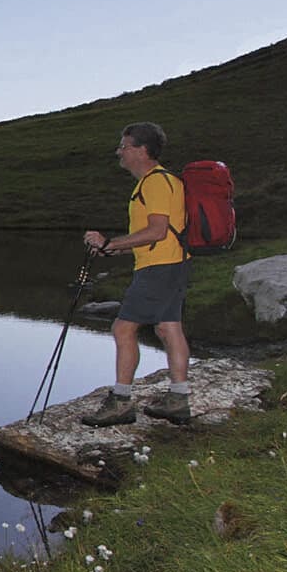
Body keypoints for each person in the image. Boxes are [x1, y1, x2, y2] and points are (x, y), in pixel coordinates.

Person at [79, 121, 192, 426]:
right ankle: (179, 399)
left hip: (158, 268)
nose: (120, 152)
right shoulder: (165, 181)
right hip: (173, 263)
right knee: (169, 329)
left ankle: (121, 402)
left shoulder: (155, 182)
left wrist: (110, 242)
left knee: (123, 329)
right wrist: (115, 249)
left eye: (124, 146)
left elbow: (155, 231)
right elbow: (163, 233)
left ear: (142, 151)